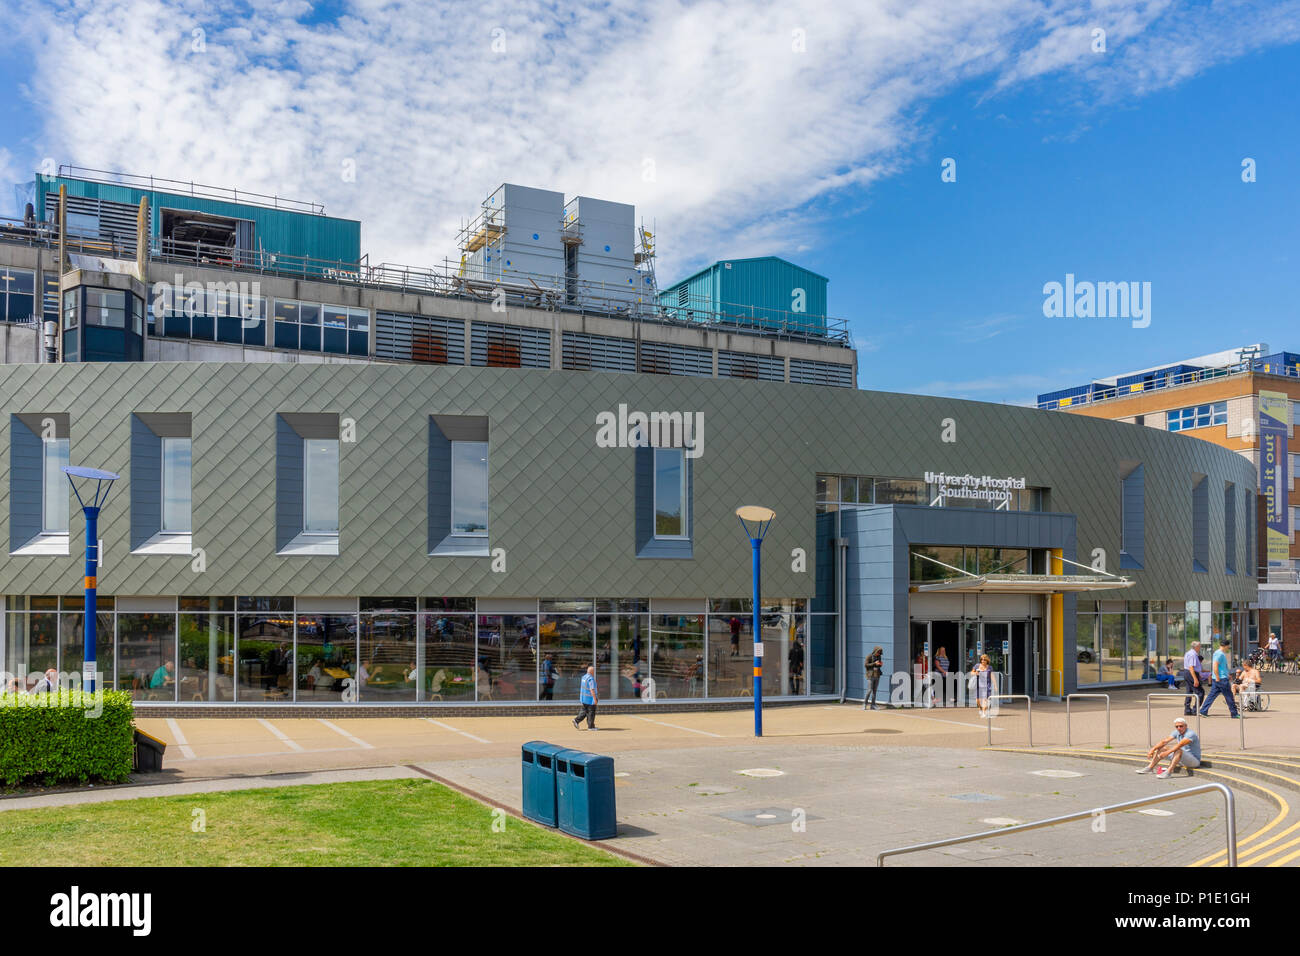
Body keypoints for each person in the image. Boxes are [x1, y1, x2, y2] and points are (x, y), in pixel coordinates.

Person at [1200, 637, 1240, 718]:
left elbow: (1222, 667)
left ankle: (1203, 711)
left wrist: (1227, 674)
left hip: (1219, 678)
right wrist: (1218, 676)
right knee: (1229, 696)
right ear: (1226, 646)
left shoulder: (1219, 653)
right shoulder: (1220, 654)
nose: (1229, 647)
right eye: (1228, 646)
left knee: (1212, 695)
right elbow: (1215, 665)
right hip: (1221, 679)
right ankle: (1234, 713)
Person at [1179, 641, 1204, 716]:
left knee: (1189, 692)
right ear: (1196, 647)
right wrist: (1195, 679)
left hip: (1187, 672)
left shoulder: (1189, 653)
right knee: (1200, 692)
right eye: (1199, 646)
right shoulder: (1193, 654)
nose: (1200, 648)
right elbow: (1191, 667)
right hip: (1191, 673)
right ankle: (1195, 710)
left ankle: (1187, 709)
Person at [572, 664, 598, 730]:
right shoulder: (590, 679)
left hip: (584, 699)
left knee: (584, 712)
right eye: (594, 671)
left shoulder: (584, 677)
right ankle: (591, 727)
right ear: (592, 672)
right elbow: (592, 689)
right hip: (590, 699)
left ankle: (576, 720)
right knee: (591, 713)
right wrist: (595, 699)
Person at [970, 654, 996, 718]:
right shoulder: (977, 666)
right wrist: (975, 673)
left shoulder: (990, 667)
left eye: (984, 660)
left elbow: (992, 676)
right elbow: (971, 672)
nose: (983, 661)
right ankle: (981, 708)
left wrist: (995, 685)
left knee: (985, 699)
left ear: (987, 660)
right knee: (977, 700)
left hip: (987, 685)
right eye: (982, 659)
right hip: (978, 685)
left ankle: (984, 713)